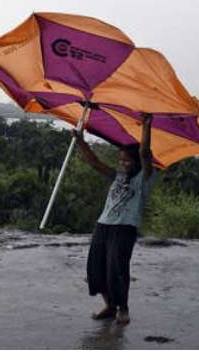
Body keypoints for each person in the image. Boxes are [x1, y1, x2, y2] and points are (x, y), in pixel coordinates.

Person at [72, 113, 157, 326]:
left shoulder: (144, 178)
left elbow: (145, 153)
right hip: (104, 225)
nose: (123, 163)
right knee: (96, 268)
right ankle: (110, 306)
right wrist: (81, 142)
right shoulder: (118, 176)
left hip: (124, 228)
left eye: (127, 160)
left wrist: (146, 127)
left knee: (116, 269)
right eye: (121, 160)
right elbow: (95, 163)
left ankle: (123, 308)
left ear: (137, 162)